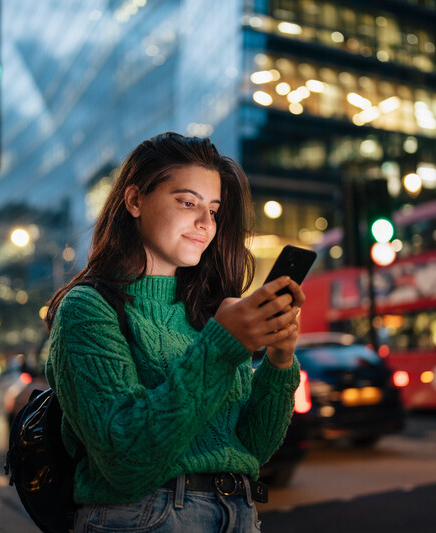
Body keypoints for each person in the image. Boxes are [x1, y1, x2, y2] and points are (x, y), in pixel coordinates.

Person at [44, 132, 305, 532]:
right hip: (146, 516)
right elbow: (125, 460)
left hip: (239, 513)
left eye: (214, 210)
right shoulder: (88, 308)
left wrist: (279, 359)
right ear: (134, 201)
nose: (206, 223)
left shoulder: (208, 313)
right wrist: (222, 348)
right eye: (187, 202)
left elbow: (252, 448)